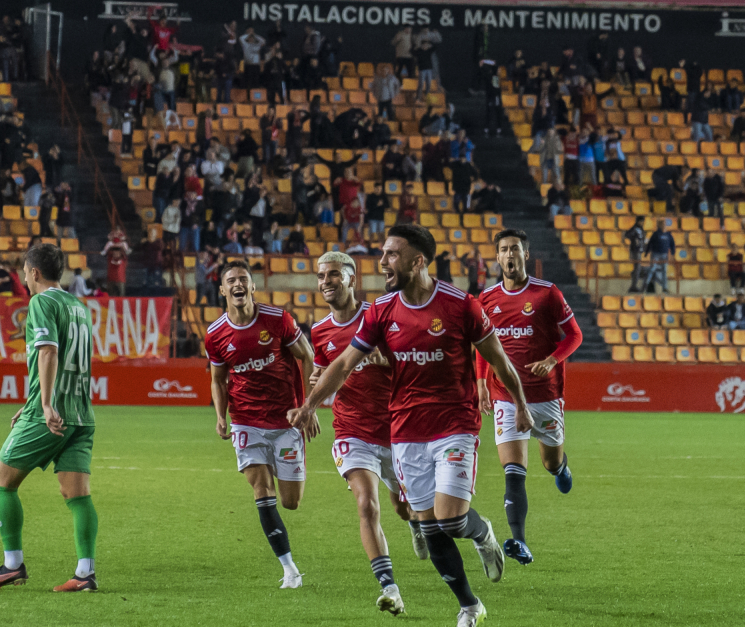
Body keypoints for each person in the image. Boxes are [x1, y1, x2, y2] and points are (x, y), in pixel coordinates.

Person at [297, 224, 527, 627]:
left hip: (454, 424)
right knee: (427, 525)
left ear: (417, 261)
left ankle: (482, 533)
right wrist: (309, 405)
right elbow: (344, 363)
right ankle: (470, 605)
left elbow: (500, 360)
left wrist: (521, 404)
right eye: (383, 254)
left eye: (391, 254)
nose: (383, 262)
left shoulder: (461, 305)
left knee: (450, 518)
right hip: (405, 432)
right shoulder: (381, 311)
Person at [306, 252, 424, 615]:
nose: (326, 281)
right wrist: (314, 391)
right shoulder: (320, 330)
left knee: (403, 507)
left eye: (333, 274)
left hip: (397, 430)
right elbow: (324, 371)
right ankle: (390, 588)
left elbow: (414, 362)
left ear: (352, 279)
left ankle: (415, 523)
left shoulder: (381, 317)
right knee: (366, 504)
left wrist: (386, 360)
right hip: (352, 429)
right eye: (321, 276)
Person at [0, 245, 97, 591]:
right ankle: (85, 573)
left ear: (34, 272)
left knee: (2, 481)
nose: (24, 279)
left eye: (24, 272)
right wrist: (34, 399)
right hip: (81, 414)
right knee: (77, 494)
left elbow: (48, 351)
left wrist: (43, 404)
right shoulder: (79, 307)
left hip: (51, 413)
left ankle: (12, 565)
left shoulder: (41, 302)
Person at [204, 260, 316, 589]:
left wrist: (308, 406)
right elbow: (218, 379)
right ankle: (290, 569)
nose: (238, 284)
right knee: (261, 490)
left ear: (252, 287)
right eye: (231, 281)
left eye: (243, 279)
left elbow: (307, 355)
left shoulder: (277, 320)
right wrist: (221, 415)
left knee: (291, 502)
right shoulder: (215, 334)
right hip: (246, 422)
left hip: (286, 420)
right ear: (222, 290)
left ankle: (290, 565)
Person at [476, 230, 581, 566]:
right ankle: (519, 541)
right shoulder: (486, 299)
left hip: (545, 395)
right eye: (504, 249)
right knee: (513, 470)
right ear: (497, 257)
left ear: (525, 254)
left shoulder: (547, 293)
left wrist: (552, 359)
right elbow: (483, 345)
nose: (510, 254)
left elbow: (575, 335)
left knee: (550, 462)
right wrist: (480, 383)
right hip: (505, 396)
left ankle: (561, 467)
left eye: (515, 249)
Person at [644, 220, 674, 293]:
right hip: (655, 254)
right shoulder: (656, 234)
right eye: (662, 224)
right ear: (659, 225)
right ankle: (646, 285)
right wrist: (647, 252)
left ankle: (665, 288)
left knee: (664, 270)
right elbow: (650, 243)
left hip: (664, 255)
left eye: (664, 224)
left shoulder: (668, 235)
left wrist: (673, 253)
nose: (664, 225)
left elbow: (672, 244)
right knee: (652, 269)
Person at [624, 217, 646, 292]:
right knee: (637, 268)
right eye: (641, 221)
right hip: (635, 251)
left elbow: (642, 239)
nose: (642, 223)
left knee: (638, 268)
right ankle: (633, 286)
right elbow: (627, 234)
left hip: (639, 250)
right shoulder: (634, 228)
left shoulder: (641, 229)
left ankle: (634, 285)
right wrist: (634, 239)